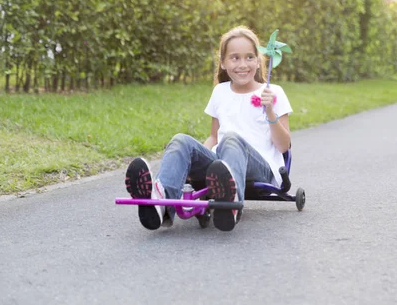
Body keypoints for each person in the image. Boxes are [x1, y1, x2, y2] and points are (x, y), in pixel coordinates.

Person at [125, 26, 293, 231]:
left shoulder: (273, 92)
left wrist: (270, 112)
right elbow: (214, 137)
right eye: (235, 58)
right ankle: (160, 204)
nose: (243, 64)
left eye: (249, 57)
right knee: (180, 140)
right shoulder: (220, 92)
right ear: (223, 63)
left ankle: (230, 202)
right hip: (220, 166)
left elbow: (284, 147)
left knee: (231, 138)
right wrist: (190, 161)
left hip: (259, 168)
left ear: (259, 61)